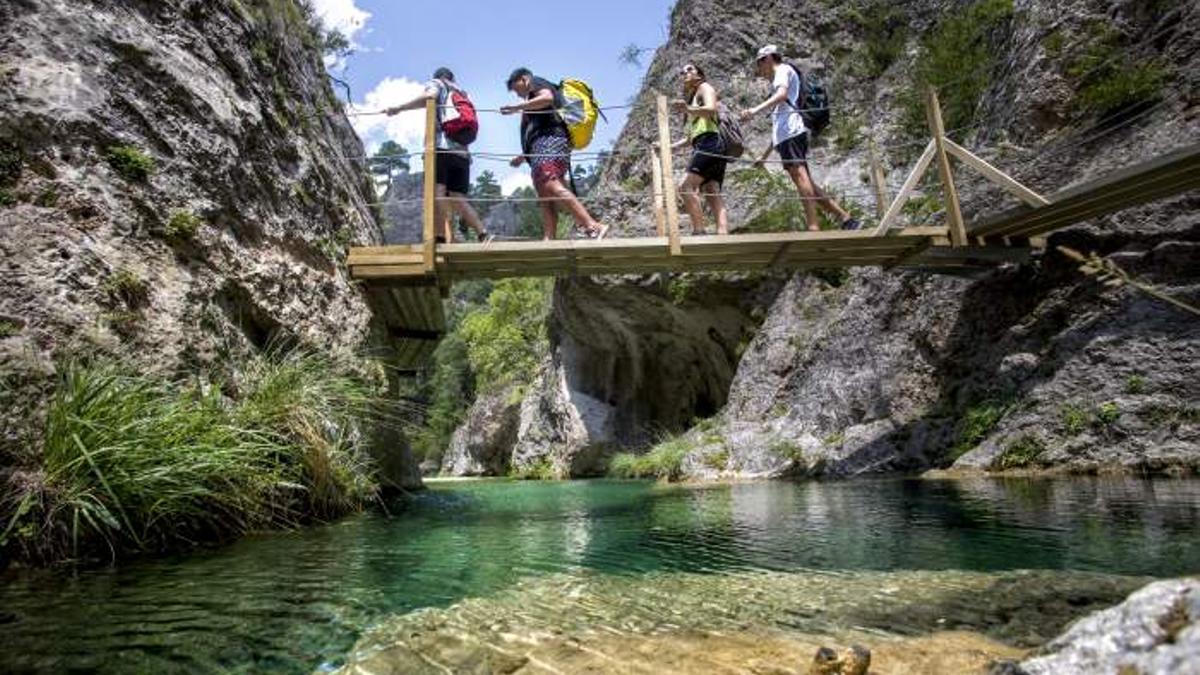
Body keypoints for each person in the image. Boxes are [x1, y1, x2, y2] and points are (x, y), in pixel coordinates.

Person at [739, 45, 861, 232]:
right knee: (807, 182)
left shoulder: (781, 70)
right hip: (788, 136)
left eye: (759, 62)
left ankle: (813, 227)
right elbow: (778, 126)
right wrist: (765, 156)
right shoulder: (779, 77)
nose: (759, 68)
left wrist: (753, 111)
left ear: (769, 58)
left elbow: (782, 95)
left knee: (800, 177)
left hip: (792, 133)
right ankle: (846, 219)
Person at [385, 68, 493, 244]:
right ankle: (482, 232)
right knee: (458, 197)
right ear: (453, 77)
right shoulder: (462, 92)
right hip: (463, 153)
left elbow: (430, 96)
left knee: (438, 192)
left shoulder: (438, 84)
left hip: (441, 147)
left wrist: (399, 108)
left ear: (439, 77)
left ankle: (443, 236)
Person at [500, 68, 608, 241]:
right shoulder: (530, 99)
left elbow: (548, 98)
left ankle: (592, 225)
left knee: (550, 183)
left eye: (516, 87)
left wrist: (516, 108)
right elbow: (537, 129)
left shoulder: (536, 83)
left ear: (524, 79)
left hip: (550, 141)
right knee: (544, 194)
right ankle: (548, 238)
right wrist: (523, 156)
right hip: (542, 147)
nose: (518, 94)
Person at [660, 62, 728, 235]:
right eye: (682, 72)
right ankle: (722, 233)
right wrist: (667, 147)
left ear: (700, 74)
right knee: (711, 190)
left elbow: (712, 109)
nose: (685, 73)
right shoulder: (693, 99)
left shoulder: (705, 88)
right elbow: (690, 138)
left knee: (685, 187)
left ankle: (699, 231)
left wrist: (688, 108)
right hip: (705, 143)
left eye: (689, 69)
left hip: (710, 142)